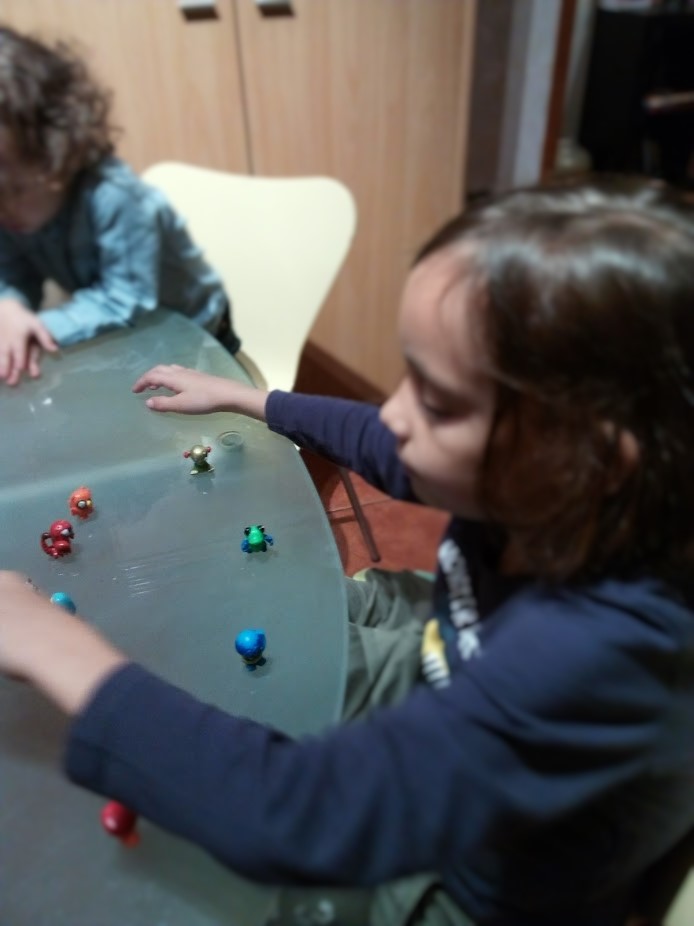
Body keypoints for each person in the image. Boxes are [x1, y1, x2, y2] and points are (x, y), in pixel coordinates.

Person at [1, 177, 693, 926]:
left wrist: (49, 646)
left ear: (585, 457)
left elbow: (303, 819)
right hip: (446, 668)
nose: (396, 414)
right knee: (247, 629)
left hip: (478, 883)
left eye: (436, 401)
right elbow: (386, 445)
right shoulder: (566, 489)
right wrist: (253, 400)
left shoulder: (594, 653)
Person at [0, 24, 239, 387]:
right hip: (129, 337)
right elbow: (13, 273)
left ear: (54, 154)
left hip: (196, 332)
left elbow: (123, 300)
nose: (4, 214)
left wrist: (38, 329)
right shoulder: (11, 211)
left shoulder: (115, 197)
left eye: (15, 191)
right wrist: (10, 306)